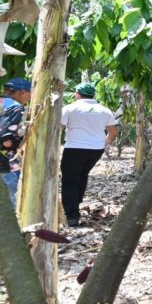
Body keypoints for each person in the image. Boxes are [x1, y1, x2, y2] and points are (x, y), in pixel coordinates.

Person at [60, 82, 118, 227]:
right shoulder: (104, 110)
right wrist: (104, 144)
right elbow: (113, 132)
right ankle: (75, 205)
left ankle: (72, 216)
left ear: (77, 94)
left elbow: (58, 128)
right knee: (82, 176)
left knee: (69, 181)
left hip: (74, 148)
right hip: (95, 150)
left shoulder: (70, 108)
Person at [0, 77, 31, 205]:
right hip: (6, 162)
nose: (29, 99)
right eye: (29, 95)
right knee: (12, 201)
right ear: (21, 93)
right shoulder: (15, 107)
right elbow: (6, 136)